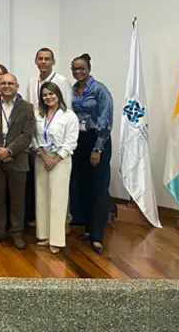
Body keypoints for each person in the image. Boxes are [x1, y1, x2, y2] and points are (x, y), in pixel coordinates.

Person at [0, 73, 36, 249]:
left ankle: (17, 233)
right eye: (3, 83)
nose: (6, 86)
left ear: (17, 86)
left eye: (10, 83)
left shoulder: (27, 107)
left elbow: (27, 134)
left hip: (17, 159)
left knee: (17, 200)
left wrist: (10, 150)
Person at [23, 48, 74, 226]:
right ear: (35, 61)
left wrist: (58, 150)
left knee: (59, 188)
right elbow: (31, 110)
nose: (43, 62)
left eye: (47, 59)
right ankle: (43, 223)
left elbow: (67, 111)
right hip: (38, 140)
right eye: (40, 59)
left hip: (58, 143)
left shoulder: (62, 81)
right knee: (41, 187)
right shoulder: (32, 81)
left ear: (53, 61)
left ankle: (64, 221)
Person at [70, 53, 114, 255]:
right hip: (78, 141)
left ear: (89, 69)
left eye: (82, 68)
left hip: (97, 141)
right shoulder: (72, 90)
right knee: (82, 186)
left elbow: (105, 121)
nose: (78, 72)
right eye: (75, 69)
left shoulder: (100, 90)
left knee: (98, 187)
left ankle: (97, 236)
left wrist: (97, 148)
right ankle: (88, 228)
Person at [33, 82, 79, 254]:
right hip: (41, 158)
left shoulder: (69, 116)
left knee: (58, 200)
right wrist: (43, 155)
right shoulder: (37, 114)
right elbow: (33, 137)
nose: (48, 97)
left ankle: (57, 240)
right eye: (44, 95)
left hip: (61, 160)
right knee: (42, 197)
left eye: (51, 94)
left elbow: (71, 142)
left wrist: (56, 158)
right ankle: (44, 235)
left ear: (58, 95)